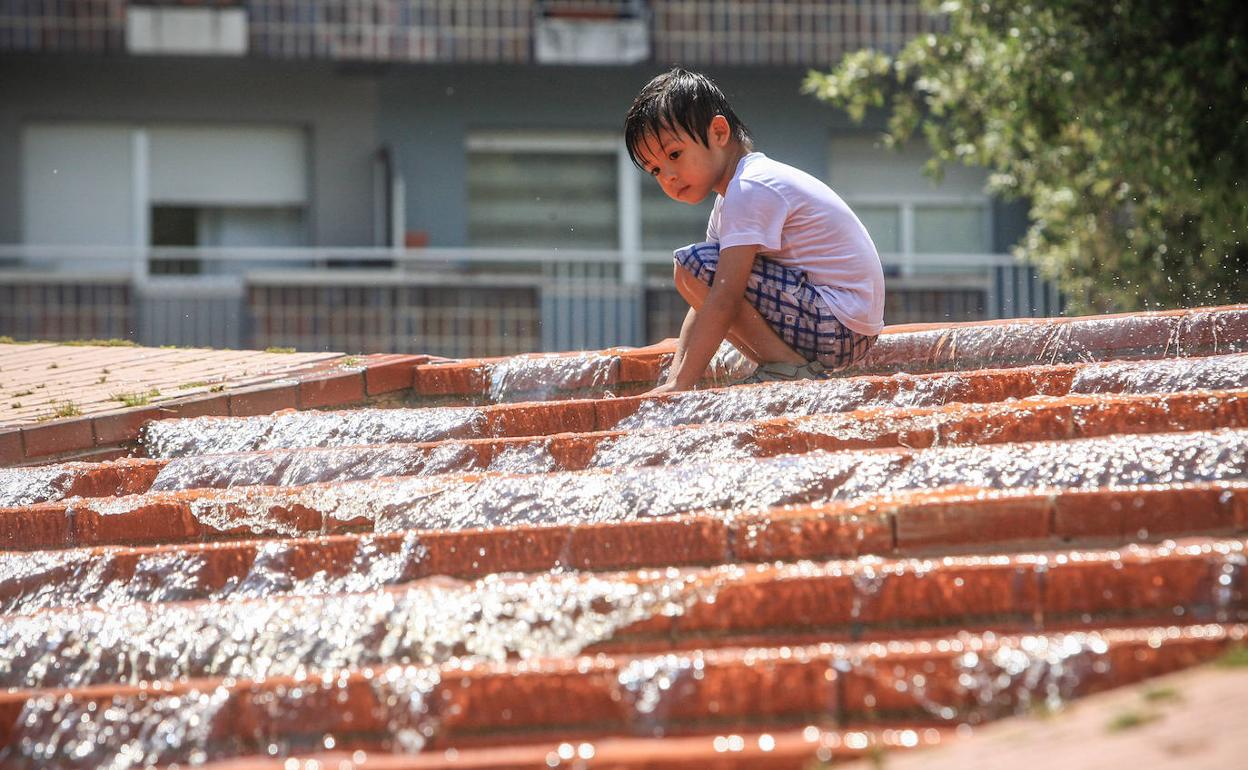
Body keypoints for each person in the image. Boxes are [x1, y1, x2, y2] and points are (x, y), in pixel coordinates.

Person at [624, 67, 885, 394]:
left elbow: (722, 296)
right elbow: (705, 297)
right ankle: (786, 365)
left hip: (838, 323)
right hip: (845, 327)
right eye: (656, 170)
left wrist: (682, 383)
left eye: (675, 154)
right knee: (700, 273)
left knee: (692, 267)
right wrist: (674, 380)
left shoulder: (750, 187)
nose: (668, 177)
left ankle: (787, 368)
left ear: (719, 132)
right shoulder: (731, 199)